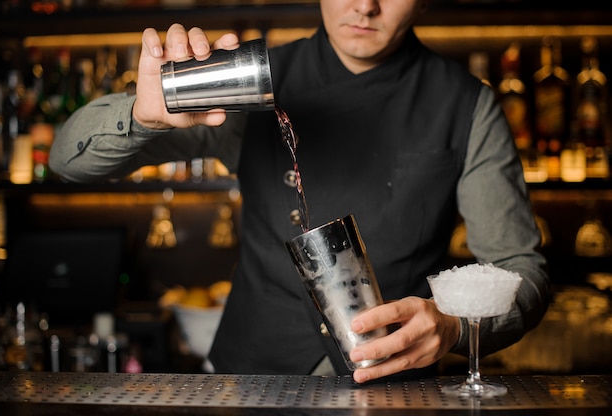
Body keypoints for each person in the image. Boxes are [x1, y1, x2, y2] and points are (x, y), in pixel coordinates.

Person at [49, 0, 551, 383]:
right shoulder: (253, 80)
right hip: (248, 380)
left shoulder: (466, 105)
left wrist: (456, 326)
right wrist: (141, 116)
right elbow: (67, 161)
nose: (365, 6)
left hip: (396, 391)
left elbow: (521, 270)